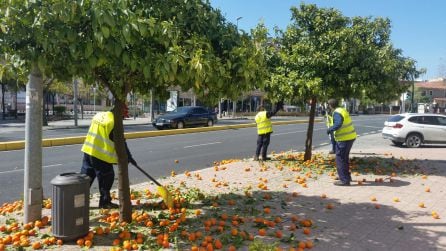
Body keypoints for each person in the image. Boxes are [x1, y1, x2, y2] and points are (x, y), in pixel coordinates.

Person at [80, 106, 137, 209]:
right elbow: (120, 143)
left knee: (85, 178)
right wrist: (129, 157)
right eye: (123, 117)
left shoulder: (99, 115)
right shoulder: (113, 123)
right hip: (100, 155)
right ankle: (105, 203)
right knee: (106, 178)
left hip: (88, 151)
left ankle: (77, 202)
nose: (123, 119)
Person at [326, 99, 357, 186]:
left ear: (330, 105)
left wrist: (330, 129)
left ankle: (344, 180)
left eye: (328, 105)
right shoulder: (342, 110)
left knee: (340, 159)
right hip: (349, 137)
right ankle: (346, 176)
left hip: (344, 139)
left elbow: (338, 123)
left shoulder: (336, 112)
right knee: (344, 158)